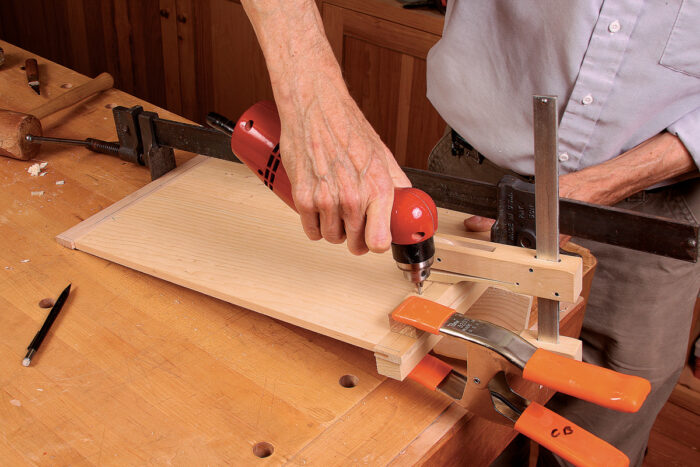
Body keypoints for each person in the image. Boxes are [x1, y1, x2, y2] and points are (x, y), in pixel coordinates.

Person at [240, 1, 700, 465]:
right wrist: (312, 102)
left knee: (607, 419)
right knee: (445, 435)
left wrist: (600, 185)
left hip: (657, 211)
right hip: (476, 174)